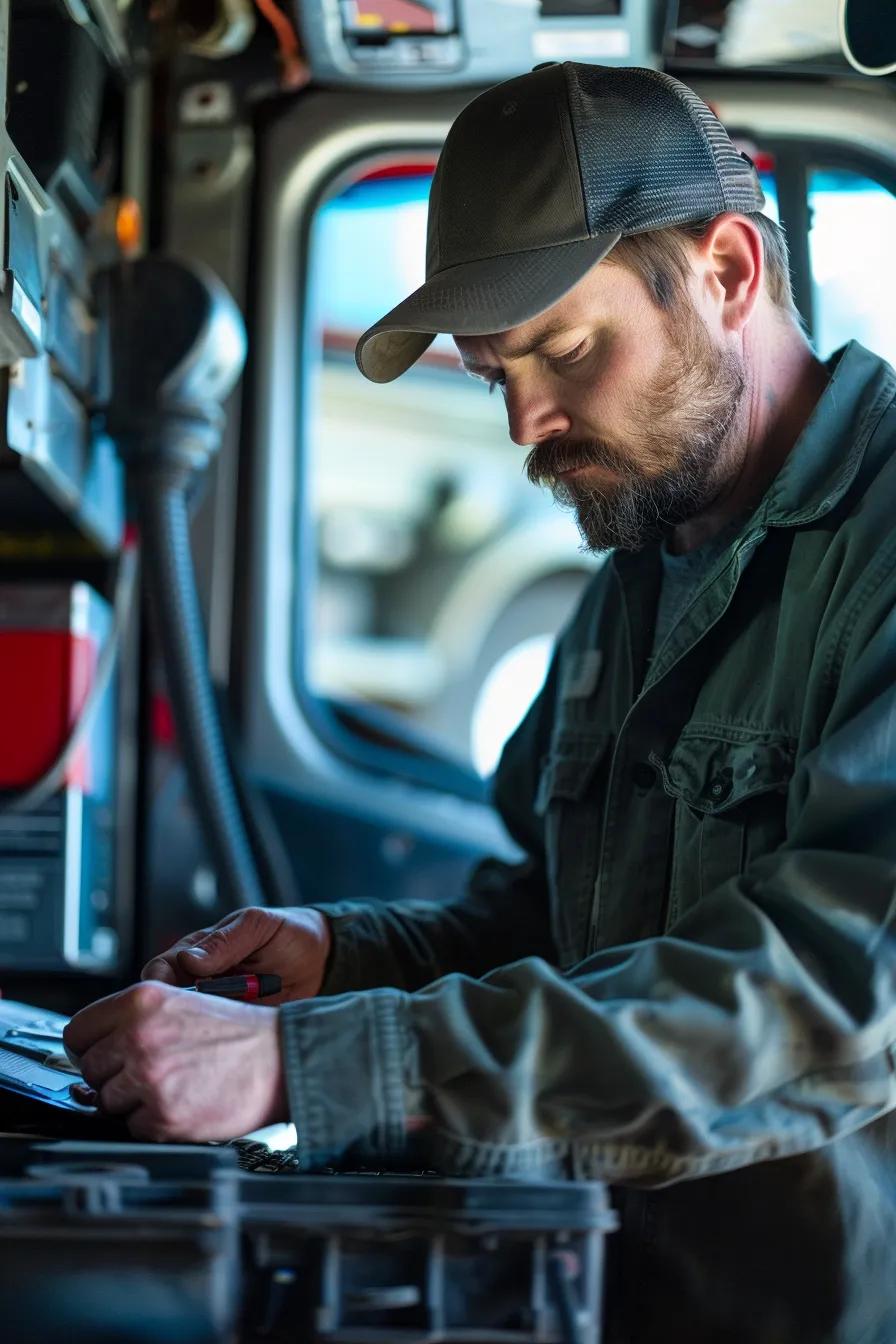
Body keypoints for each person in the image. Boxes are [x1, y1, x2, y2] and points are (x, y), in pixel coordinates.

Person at [65, 64, 896, 1342]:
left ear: (728, 271)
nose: (524, 424)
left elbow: (831, 990)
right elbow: (559, 920)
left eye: (562, 350)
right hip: (596, 1291)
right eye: (490, 373)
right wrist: (345, 958)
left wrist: (320, 1065)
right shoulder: (636, 571)